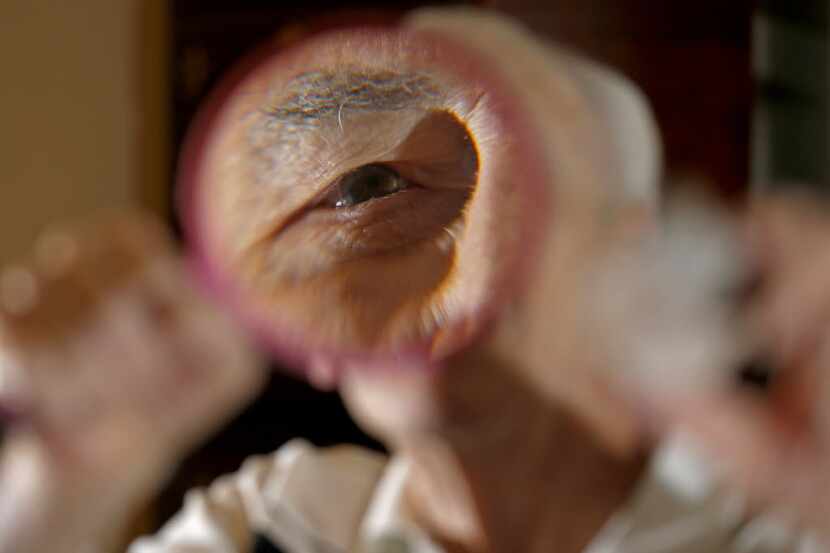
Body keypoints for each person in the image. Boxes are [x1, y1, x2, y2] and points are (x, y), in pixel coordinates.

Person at [0, 7, 827, 553]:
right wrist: (53, 502)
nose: (480, 256)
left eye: (538, 170)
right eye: (366, 190)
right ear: (301, 334)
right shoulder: (276, 525)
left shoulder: (790, 518)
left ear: (639, 259)